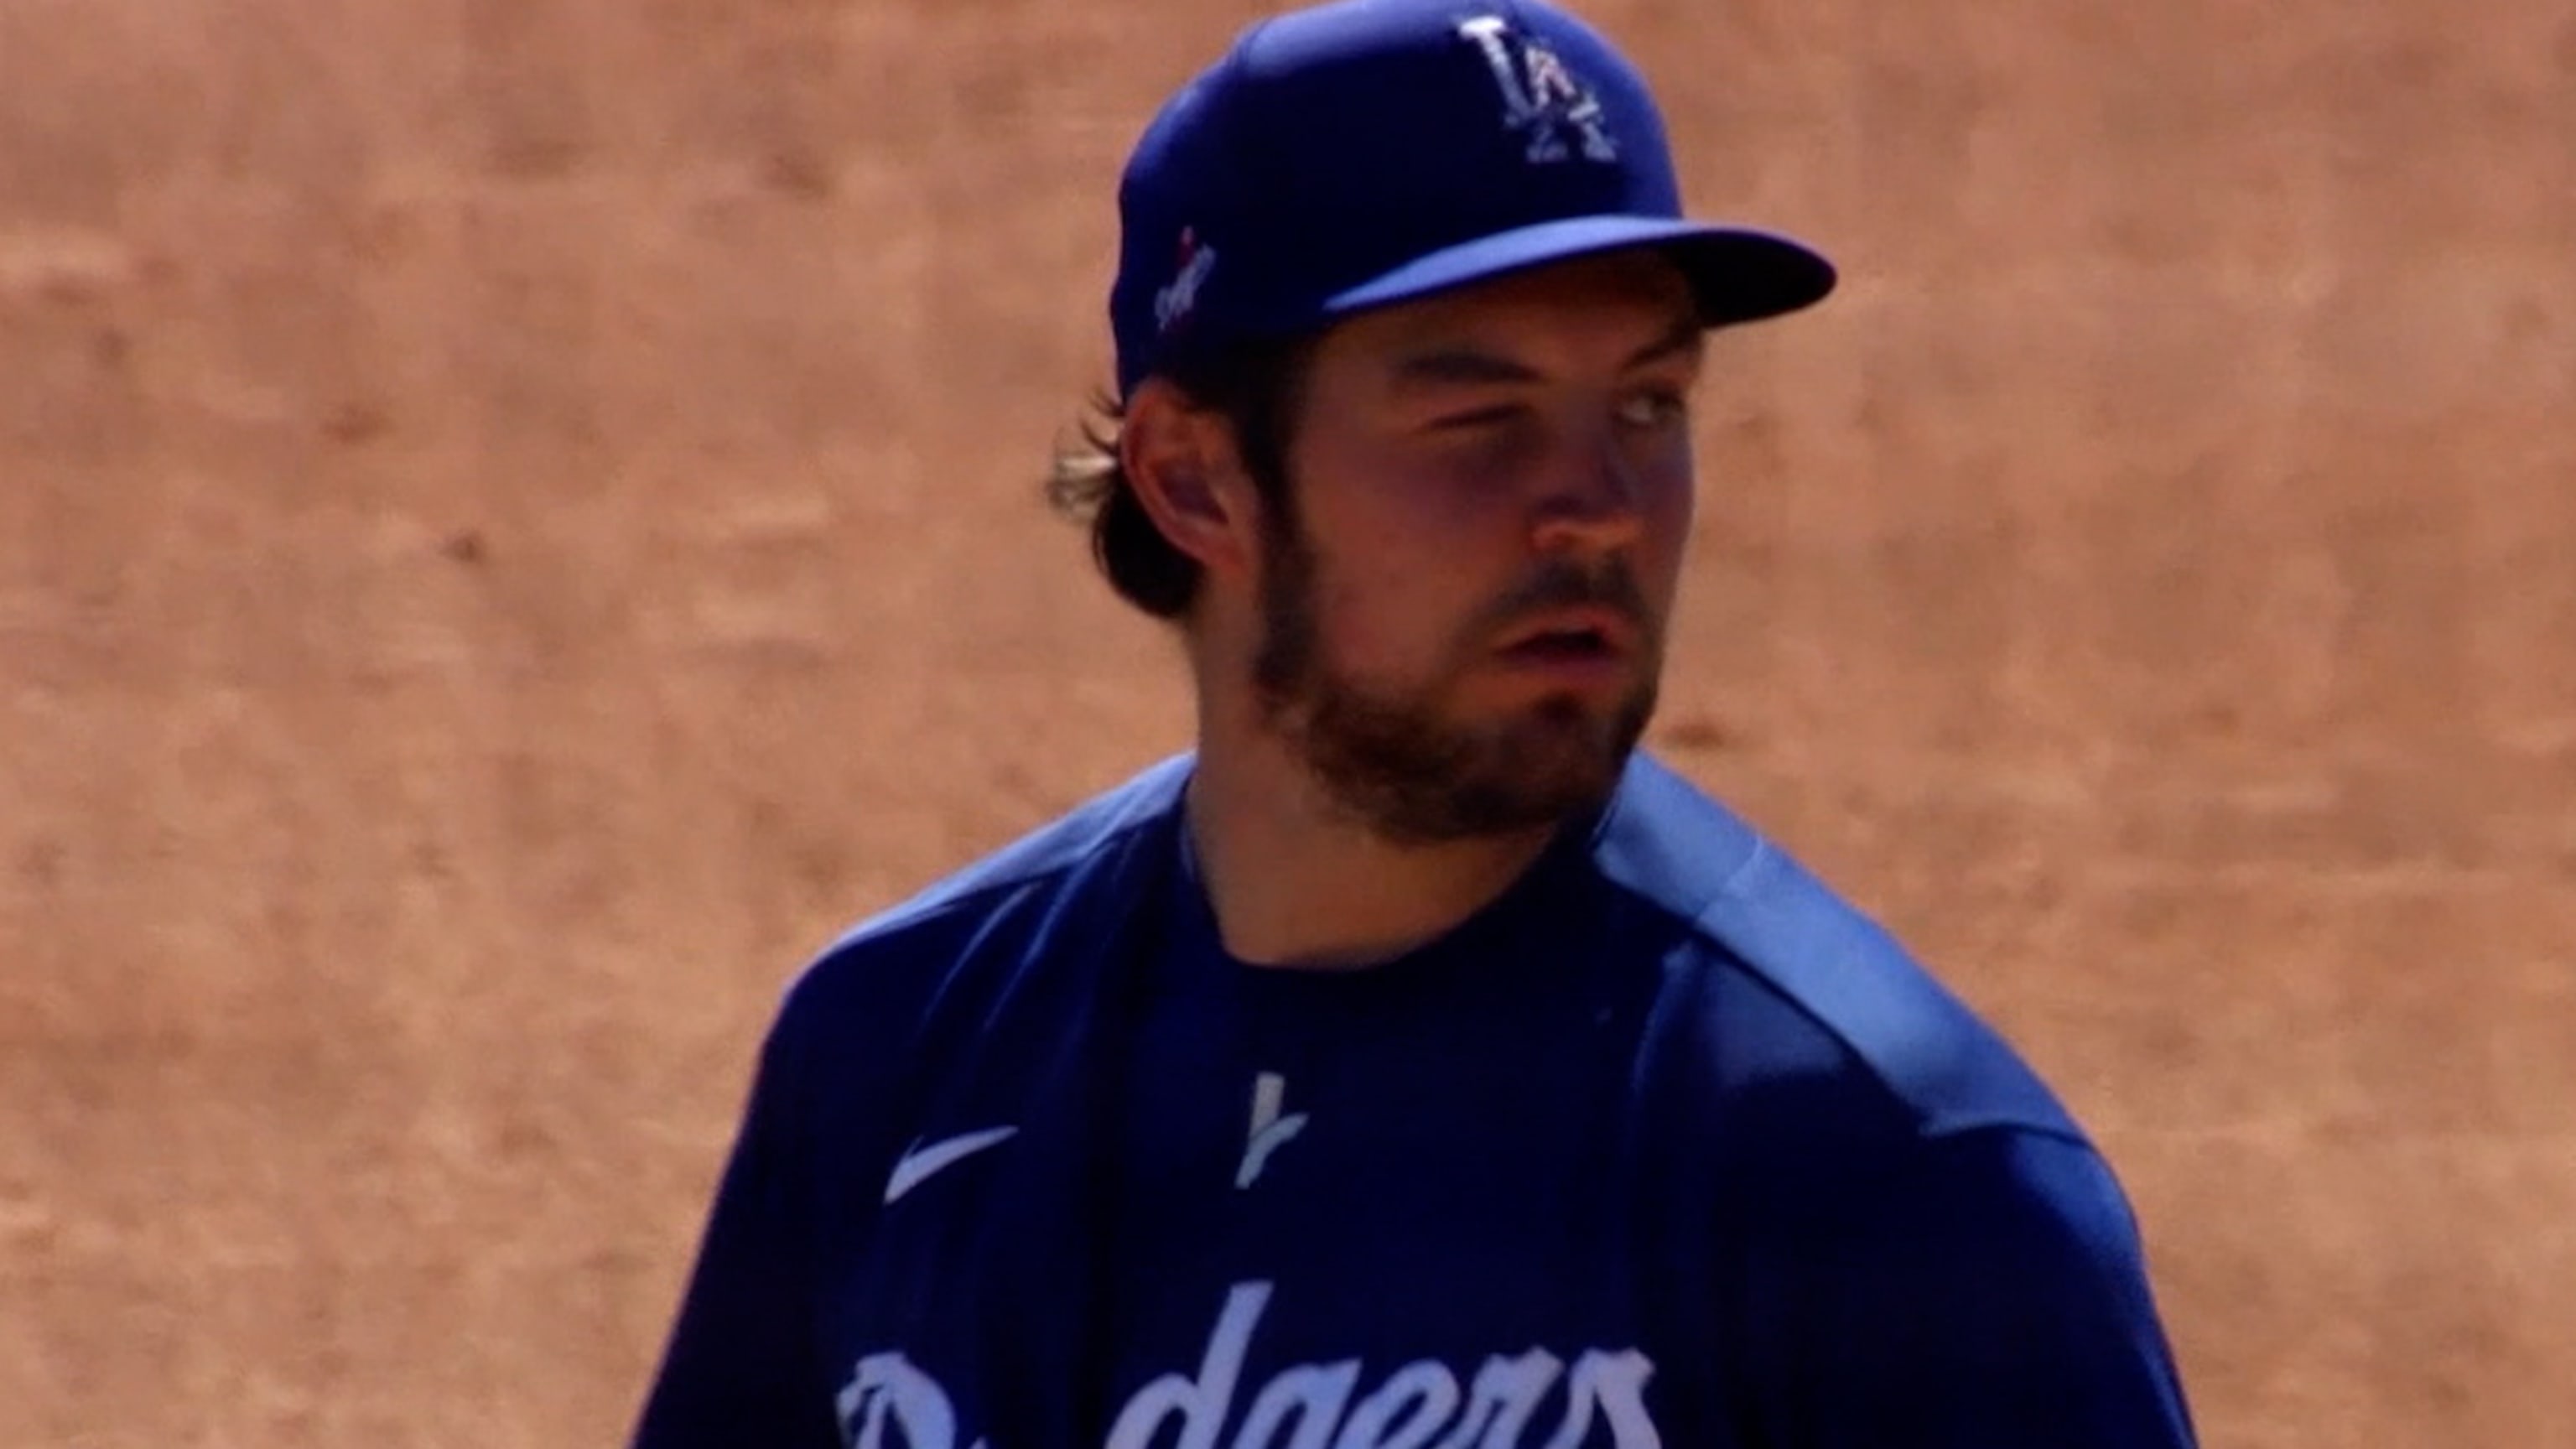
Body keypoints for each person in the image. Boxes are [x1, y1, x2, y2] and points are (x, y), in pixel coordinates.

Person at [629, 1, 2201, 1445]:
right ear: (1195, 477)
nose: (1594, 509)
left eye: (1647, 407)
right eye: (1481, 418)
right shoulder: (899, 1059)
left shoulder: (1881, 1174)